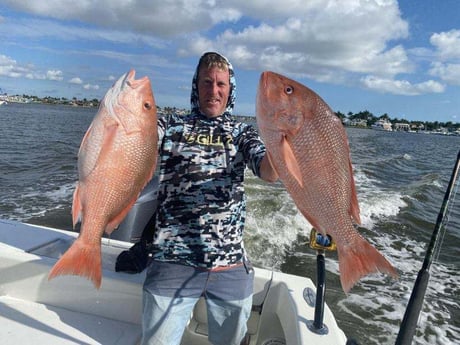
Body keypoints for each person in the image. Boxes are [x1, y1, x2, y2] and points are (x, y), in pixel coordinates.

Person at [139, 52, 278, 345]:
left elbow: (268, 172)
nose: (213, 91)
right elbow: (140, 150)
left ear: (230, 89)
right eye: (206, 82)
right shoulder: (171, 125)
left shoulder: (242, 132)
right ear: (195, 85)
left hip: (228, 264)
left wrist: (284, 141)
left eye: (220, 84)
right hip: (172, 259)